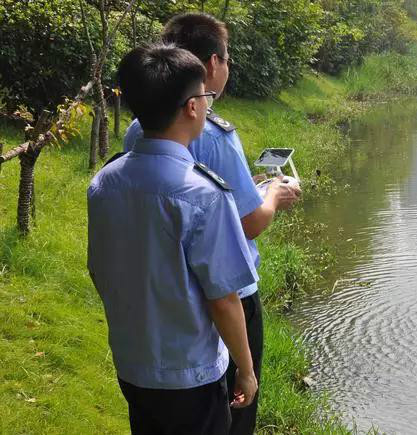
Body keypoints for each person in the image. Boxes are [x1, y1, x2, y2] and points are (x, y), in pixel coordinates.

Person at [123, 13, 301, 435]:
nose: (228, 67)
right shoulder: (218, 135)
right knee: (234, 408)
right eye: (228, 58)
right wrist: (273, 194)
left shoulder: (137, 131)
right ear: (212, 64)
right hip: (227, 294)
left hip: (163, 297)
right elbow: (249, 223)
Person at [88, 43, 259, 435]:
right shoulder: (202, 196)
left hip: (133, 366)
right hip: (190, 375)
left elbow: (99, 268)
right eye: (205, 95)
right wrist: (246, 371)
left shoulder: (104, 182)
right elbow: (224, 298)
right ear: (192, 107)